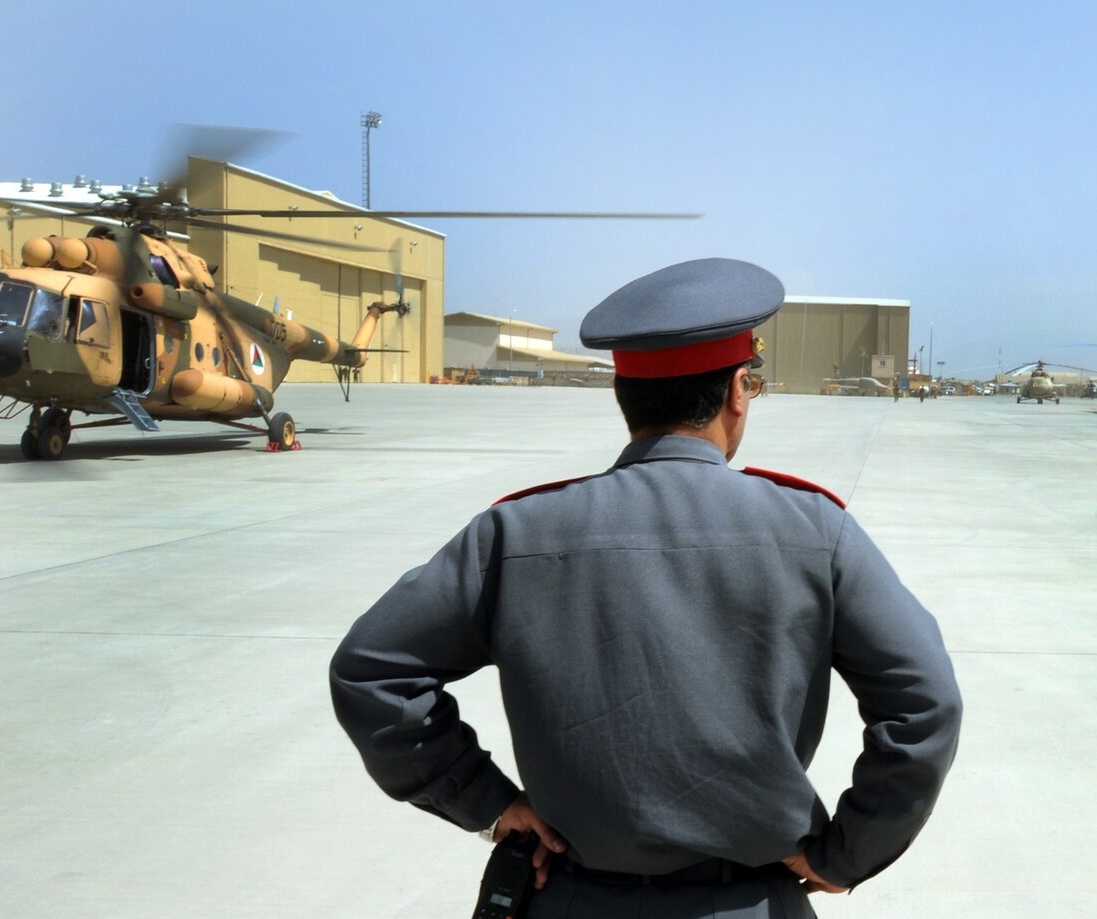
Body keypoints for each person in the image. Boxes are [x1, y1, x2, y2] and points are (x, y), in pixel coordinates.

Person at [330, 258, 963, 918]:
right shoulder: (814, 530)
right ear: (738, 391)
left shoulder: (516, 533)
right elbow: (925, 702)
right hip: (751, 900)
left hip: (569, 898)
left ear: (622, 394)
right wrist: (847, 852)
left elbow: (372, 670)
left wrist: (488, 801)